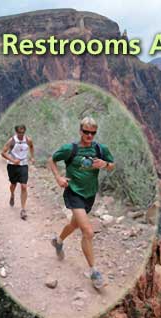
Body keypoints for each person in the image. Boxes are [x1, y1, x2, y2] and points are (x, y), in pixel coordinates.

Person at [47, 117, 115, 289]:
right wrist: (58, 178)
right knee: (88, 231)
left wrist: (105, 164)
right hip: (73, 192)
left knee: (74, 224)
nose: (89, 136)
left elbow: (112, 165)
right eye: (86, 132)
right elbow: (51, 160)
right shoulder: (70, 149)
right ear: (80, 131)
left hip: (90, 195)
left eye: (92, 133)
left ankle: (59, 241)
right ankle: (94, 272)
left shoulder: (100, 149)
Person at [0, 124, 35, 220]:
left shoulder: (28, 140)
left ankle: (23, 209)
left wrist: (32, 157)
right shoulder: (12, 141)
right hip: (12, 166)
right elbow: (3, 153)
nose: (21, 134)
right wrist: (12, 160)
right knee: (13, 184)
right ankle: (12, 195)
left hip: (23, 165)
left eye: (23, 132)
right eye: (19, 132)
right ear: (16, 132)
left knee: (24, 186)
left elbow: (31, 147)